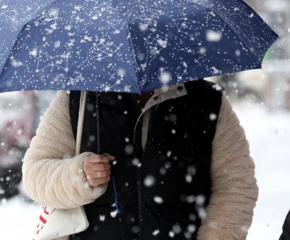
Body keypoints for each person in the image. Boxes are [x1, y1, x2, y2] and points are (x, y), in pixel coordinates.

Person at [23, 79, 258, 240]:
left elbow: (237, 186)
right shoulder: (78, 98)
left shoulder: (207, 101)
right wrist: (79, 175)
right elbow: (35, 174)